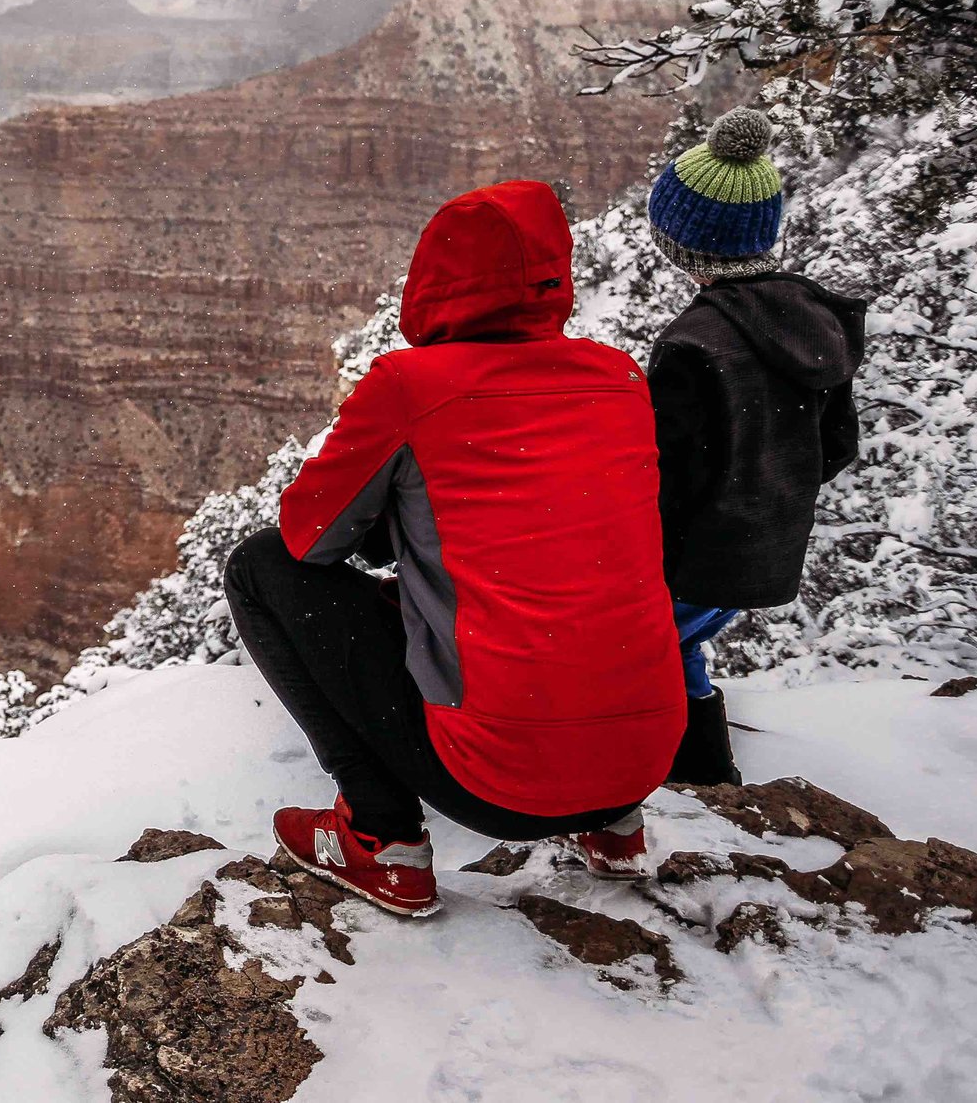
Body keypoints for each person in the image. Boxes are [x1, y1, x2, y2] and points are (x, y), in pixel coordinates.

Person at [225, 179, 684, 917]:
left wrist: (393, 518)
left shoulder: (411, 385)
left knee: (259, 567)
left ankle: (384, 841)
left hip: (497, 785)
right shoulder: (620, 379)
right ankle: (615, 828)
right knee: (572, 582)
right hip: (641, 762)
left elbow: (308, 539)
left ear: (435, 277)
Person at [643, 108, 865, 785]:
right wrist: (770, 487)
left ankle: (684, 777)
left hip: (693, 552)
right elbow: (838, 444)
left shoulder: (693, 344)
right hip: (763, 545)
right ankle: (705, 775)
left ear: (681, 241)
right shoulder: (809, 318)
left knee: (642, 645)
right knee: (679, 646)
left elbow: (667, 476)